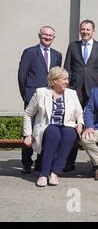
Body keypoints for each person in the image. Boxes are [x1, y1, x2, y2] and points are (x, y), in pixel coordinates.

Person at [23, 67, 83, 187]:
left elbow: (79, 112)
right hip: (47, 126)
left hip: (66, 125)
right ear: (54, 81)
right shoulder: (41, 93)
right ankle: (44, 174)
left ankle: (55, 172)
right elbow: (28, 113)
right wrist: (27, 134)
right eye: (64, 79)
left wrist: (80, 123)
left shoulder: (72, 93)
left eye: (67, 79)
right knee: (53, 133)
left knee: (70, 134)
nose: (67, 82)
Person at [64, 19, 98, 172]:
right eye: (82, 29)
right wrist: (67, 90)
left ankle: (95, 163)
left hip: (94, 92)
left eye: (88, 30)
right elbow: (67, 69)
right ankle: (69, 162)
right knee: (72, 126)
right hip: (75, 93)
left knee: (93, 127)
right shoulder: (73, 47)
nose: (85, 32)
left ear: (93, 31)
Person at [18, 26, 62, 174]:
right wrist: (26, 95)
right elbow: (22, 76)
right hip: (32, 97)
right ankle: (26, 162)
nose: (48, 37)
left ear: (53, 38)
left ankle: (41, 161)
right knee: (29, 129)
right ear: (39, 35)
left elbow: (57, 77)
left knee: (45, 128)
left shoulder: (57, 55)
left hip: (49, 98)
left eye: (50, 35)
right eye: (45, 35)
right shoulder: (30, 52)